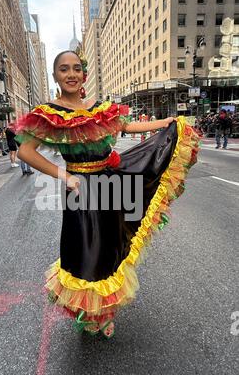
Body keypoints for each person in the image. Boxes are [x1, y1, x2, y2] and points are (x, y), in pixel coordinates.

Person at [15, 50, 201, 339]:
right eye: (64, 69)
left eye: (77, 68)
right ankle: (90, 313)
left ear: (84, 74)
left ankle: (105, 312)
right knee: (86, 253)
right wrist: (65, 176)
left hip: (111, 184)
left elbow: (126, 126)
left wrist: (164, 124)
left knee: (110, 249)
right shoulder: (49, 114)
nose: (72, 74)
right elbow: (25, 151)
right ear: (55, 76)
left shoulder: (99, 107)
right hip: (81, 192)